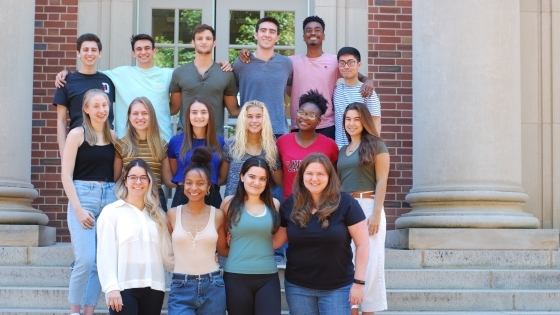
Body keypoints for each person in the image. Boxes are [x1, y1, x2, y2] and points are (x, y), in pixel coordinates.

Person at [239, 15, 374, 139]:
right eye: (309, 30)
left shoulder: (334, 61)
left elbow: (356, 74)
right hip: (299, 124)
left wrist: (368, 81)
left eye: (317, 30)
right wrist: (245, 53)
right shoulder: (290, 62)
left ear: (324, 35)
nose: (313, 33)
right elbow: (268, 66)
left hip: (326, 125)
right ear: (304, 36)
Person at [273, 153, 369, 315]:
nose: (314, 178)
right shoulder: (290, 204)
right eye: (309, 173)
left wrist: (358, 283)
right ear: (302, 176)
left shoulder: (346, 203)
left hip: (337, 289)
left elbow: (363, 244)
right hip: (298, 288)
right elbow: (276, 242)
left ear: (330, 177)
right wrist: (240, 238)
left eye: (320, 174)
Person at [60, 89, 118, 315]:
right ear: (86, 109)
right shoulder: (77, 134)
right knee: (84, 259)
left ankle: (89, 311)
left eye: (104, 105)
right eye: (96, 106)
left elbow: (116, 175)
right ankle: (75, 311)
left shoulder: (113, 136)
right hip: (83, 196)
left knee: (98, 262)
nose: (101, 110)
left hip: (109, 197)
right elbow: (66, 175)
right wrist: (78, 208)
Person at [97, 159, 174, 315]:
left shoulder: (158, 216)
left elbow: (168, 256)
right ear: (125, 181)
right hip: (124, 287)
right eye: (133, 177)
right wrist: (111, 287)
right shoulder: (111, 212)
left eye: (143, 177)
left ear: (149, 182)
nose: (138, 182)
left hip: (154, 287)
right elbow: (105, 254)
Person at [338, 102, 389, 314]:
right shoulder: (342, 150)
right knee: (349, 262)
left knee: (371, 265)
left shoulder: (377, 145)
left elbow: (382, 180)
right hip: (346, 208)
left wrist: (376, 213)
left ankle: (368, 310)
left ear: (364, 121)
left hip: (369, 206)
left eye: (357, 119)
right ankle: (352, 309)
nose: (352, 123)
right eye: (348, 119)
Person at [167, 147, 228, 315]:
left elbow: (223, 250)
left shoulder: (218, 215)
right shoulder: (172, 215)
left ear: (208, 186)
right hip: (181, 286)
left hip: (213, 286)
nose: (194, 188)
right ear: (183, 184)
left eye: (200, 183)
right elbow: (166, 250)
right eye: (189, 182)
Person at [220, 157, 282, 315]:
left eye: (262, 179)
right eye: (252, 177)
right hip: (236, 277)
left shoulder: (274, 204)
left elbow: (275, 238)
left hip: (268, 276)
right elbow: (222, 241)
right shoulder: (228, 203)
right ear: (242, 176)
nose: (256, 182)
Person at [53, 33, 115, 158]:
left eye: (94, 50)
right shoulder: (66, 81)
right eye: (85, 50)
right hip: (79, 144)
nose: (90, 53)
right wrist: (63, 151)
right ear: (78, 53)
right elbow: (61, 120)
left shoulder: (109, 80)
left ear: (100, 53)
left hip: (106, 144)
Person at [170, 24, 240, 135]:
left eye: (208, 38)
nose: (204, 42)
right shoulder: (179, 73)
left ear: (214, 42)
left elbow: (234, 110)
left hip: (214, 140)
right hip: (184, 138)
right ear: (193, 42)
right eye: (199, 38)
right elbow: (173, 109)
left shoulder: (225, 73)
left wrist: (259, 111)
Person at [233, 17, 293, 138]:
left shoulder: (286, 63)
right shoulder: (241, 63)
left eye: (272, 31)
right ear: (256, 35)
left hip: (277, 130)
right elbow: (230, 91)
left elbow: (290, 91)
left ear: (277, 37)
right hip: (249, 129)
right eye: (263, 30)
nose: (267, 34)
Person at [114, 97, 174, 211]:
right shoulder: (121, 144)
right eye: (135, 113)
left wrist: (189, 182)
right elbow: (115, 178)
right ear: (129, 117)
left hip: (155, 200)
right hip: (129, 200)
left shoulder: (162, 144)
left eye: (144, 113)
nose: (140, 117)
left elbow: (167, 179)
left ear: (151, 116)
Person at [276, 89, 338, 200]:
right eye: (301, 112)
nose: (304, 117)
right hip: (290, 205)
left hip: (319, 205)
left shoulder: (330, 145)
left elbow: (333, 177)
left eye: (311, 115)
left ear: (319, 121)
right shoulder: (282, 142)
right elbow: (278, 175)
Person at [168, 96, 224, 208]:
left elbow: (222, 176)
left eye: (203, 112)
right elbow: (175, 171)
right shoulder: (175, 141)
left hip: (212, 195)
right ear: (188, 116)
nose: (199, 116)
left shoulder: (220, 142)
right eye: (194, 112)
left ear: (210, 116)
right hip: (183, 195)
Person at [219, 100, 282, 197]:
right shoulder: (231, 145)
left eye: (258, 116)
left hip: (260, 207)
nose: (254, 121)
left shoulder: (271, 149)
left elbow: (281, 183)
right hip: (232, 206)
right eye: (249, 116)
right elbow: (222, 179)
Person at [334, 47, 382, 148]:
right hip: (340, 150)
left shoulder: (367, 91)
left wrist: (372, 149)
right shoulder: (337, 91)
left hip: (362, 150)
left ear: (359, 65)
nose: (346, 67)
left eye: (351, 62)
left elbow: (375, 123)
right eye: (342, 63)